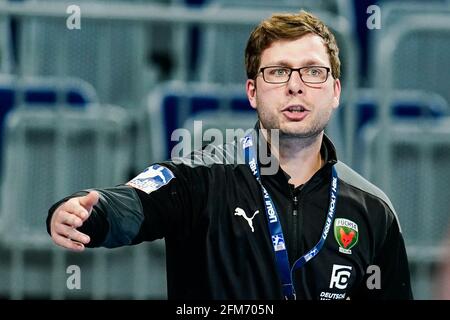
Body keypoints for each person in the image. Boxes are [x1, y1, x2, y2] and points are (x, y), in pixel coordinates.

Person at [46, 10, 413, 300]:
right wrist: (86, 215)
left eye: (313, 72)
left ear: (335, 91)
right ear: (252, 91)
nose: (296, 85)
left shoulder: (372, 209)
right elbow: (136, 203)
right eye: (278, 72)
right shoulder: (202, 177)